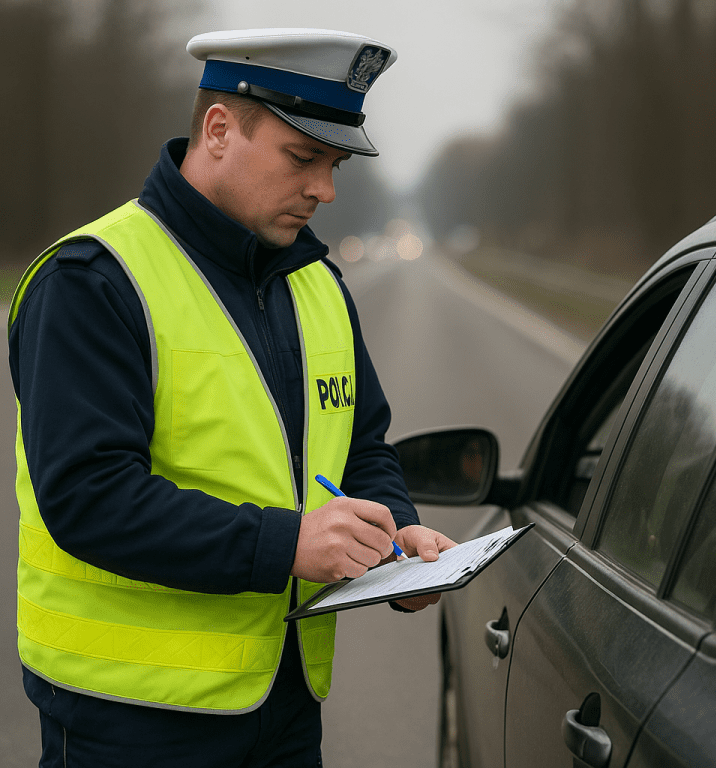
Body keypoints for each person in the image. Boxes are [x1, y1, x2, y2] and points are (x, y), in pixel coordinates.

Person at [8, 28, 455, 768]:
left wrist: (396, 544)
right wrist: (287, 545)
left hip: (284, 711)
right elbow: (88, 497)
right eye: (302, 158)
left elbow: (364, 446)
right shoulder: (93, 280)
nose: (326, 189)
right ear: (219, 130)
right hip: (130, 722)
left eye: (335, 164)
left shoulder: (318, 284)